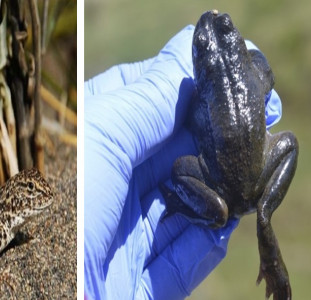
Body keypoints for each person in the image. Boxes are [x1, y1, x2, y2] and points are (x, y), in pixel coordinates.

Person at [84, 25, 283, 300]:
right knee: (288, 142)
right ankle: (264, 212)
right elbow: (266, 75)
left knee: (178, 169)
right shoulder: (252, 73)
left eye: (225, 26)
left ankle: (207, 209)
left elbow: (192, 122)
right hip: (255, 184)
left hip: (220, 196)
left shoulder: (199, 95)